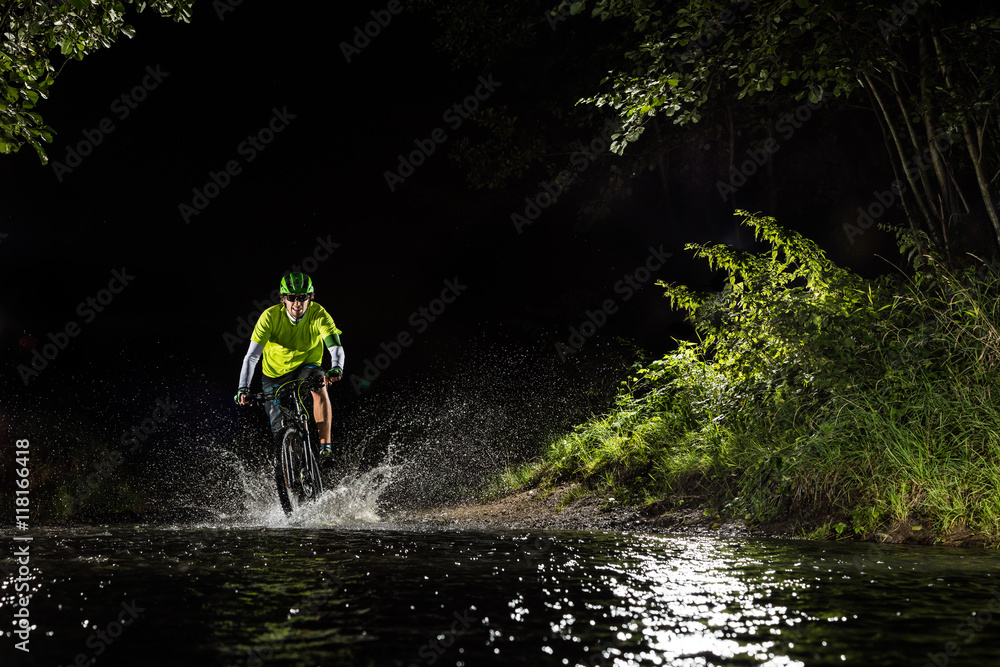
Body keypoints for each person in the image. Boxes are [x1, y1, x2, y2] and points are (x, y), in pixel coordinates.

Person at [234, 272, 344, 457]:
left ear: (311, 298)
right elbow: (252, 357)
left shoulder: (319, 314)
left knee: (319, 383)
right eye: (291, 298)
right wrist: (243, 388)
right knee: (283, 434)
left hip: (306, 367)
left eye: (302, 297)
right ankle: (297, 469)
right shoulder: (269, 317)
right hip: (274, 376)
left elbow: (335, 348)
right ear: (283, 299)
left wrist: (337, 367)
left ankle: (326, 448)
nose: (297, 303)